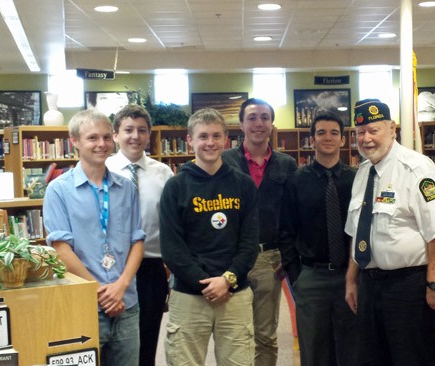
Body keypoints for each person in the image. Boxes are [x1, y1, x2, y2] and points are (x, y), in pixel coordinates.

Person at [344, 99, 435, 366]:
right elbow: (359, 233)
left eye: (373, 130)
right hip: (370, 285)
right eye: (360, 133)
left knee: (412, 358)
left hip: (409, 287)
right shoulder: (362, 172)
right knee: (371, 358)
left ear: (392, 129)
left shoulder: (417, 169)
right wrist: (351, 280)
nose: (366, 139)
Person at [43, 109, 145, 366]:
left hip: (126, 304)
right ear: (74, 141)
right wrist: (100, 292)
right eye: (92, 138)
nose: (101, 144)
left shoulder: (127, 187)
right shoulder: (58, 190)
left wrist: (120, 287)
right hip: (84, 305)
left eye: (106, 137)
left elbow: (137, 241)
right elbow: (61, 249)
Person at [160, 108, 259, 365]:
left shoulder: (243, 184)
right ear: (190, 140)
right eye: (203, 136)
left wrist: (227, 280)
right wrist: (206, 284)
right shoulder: (175, 187)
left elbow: (249, 243)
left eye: (216, 136)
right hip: (189, 295)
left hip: (234, 294)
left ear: (226, 139)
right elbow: (172, 249)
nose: (210, 142)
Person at [222, 98, 297, 366]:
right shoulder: (223, 161)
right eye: (252, 117)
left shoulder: (286, 164)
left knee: (265, 334)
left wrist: (288, 258)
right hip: (230, 260)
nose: (259, 123)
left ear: (272, 125)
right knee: (235, 333)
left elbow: (292, 215)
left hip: (269, 260)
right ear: (241, 124)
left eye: (265, 117)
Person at [279, 111, 357, 366]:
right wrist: (296, 276)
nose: (328, 138)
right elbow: (287, 231)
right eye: (321, 132)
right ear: (311, 139)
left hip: (350, 277)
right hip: (311, 277)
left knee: (350, 347)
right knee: (313, 350)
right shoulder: (296, 181)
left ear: (343, 140)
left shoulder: (356, 179)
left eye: (334, 133)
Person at [106, 104, 174, 366]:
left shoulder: (163, 173)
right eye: (128, 130)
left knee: (147, 336)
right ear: (115, 134)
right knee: (113, 335)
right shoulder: (104, 168)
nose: (135, 136)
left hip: (150, 266)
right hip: (112, 266)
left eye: (141, 130)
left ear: (149, 135)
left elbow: (171, 221)